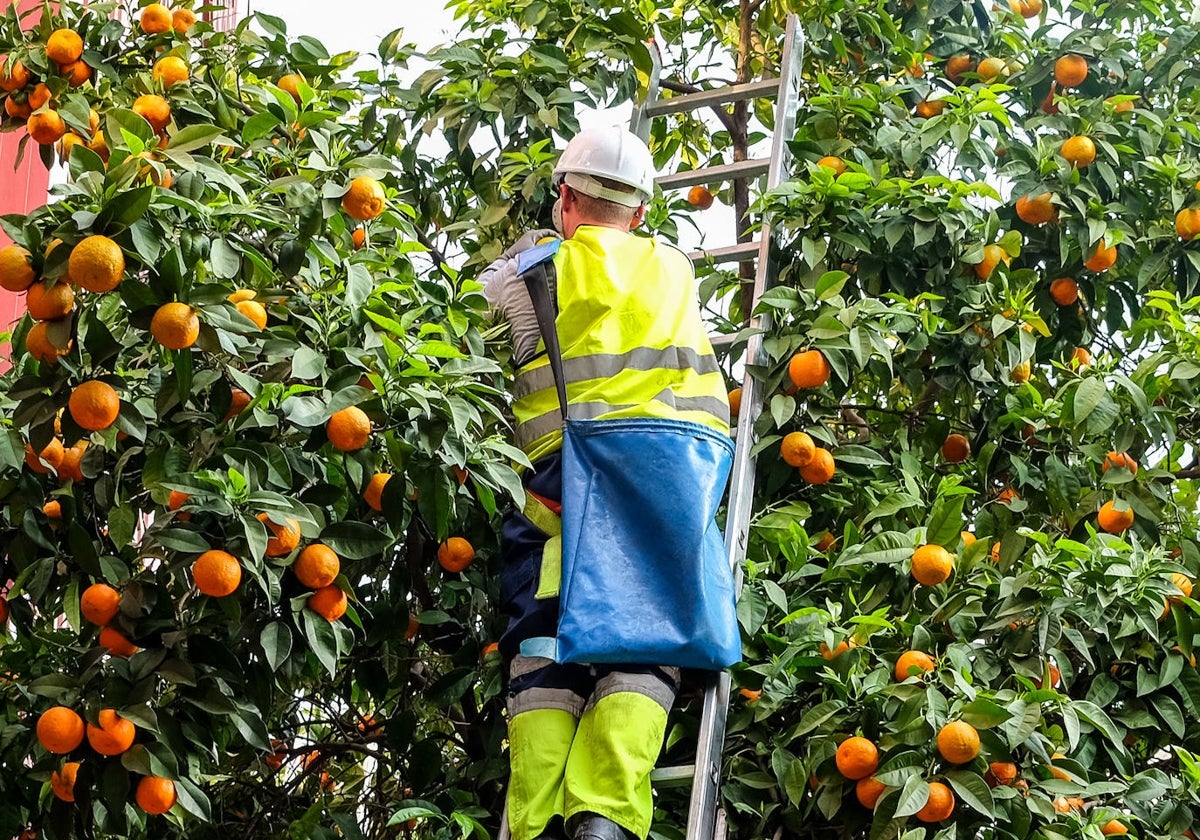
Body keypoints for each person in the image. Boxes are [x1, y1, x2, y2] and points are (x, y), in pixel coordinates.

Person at [480, 126, 730, 840]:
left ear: (565, 195)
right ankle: (607, 817)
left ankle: (534, 823)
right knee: (647, 638)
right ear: (642, 213)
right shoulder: (676, 269)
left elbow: (479, 318)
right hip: (670, 474)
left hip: (561, 479)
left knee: (544, 636)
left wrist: (525, 249)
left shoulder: (537, 273)